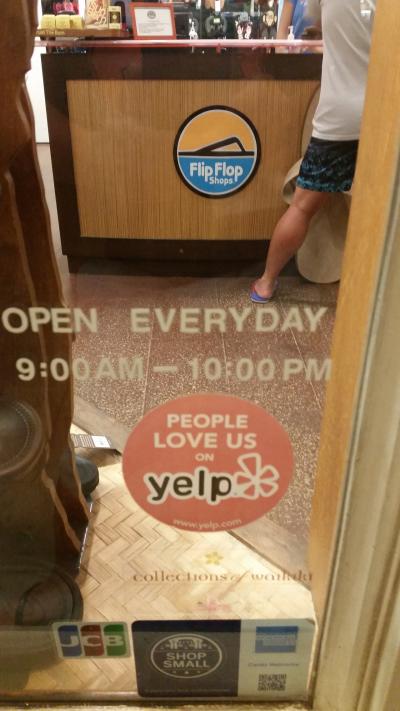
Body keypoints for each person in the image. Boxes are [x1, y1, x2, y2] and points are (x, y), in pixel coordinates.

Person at [251, 0, 375, 303]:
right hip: (385, 115)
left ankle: (266, 282)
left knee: (303, 206)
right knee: (383, 210)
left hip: (338, 117)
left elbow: (312, 26)